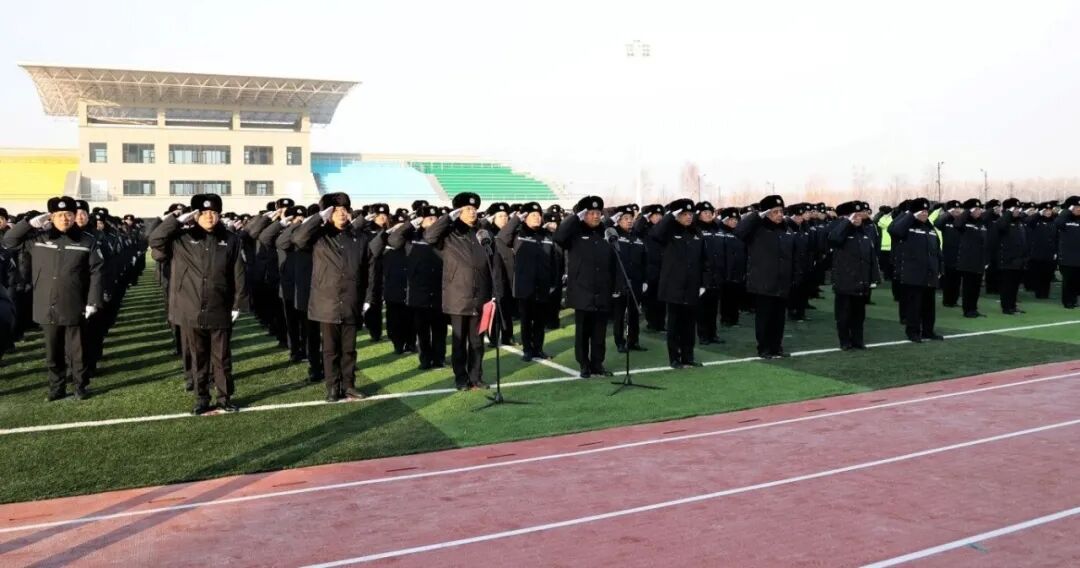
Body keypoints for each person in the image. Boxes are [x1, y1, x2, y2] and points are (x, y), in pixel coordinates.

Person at [149, 194, 247, 414]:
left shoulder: (231, 239)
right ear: (195, 215)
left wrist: (238, 304)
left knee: (222, 357)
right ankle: (201, 398)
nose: (209, 217)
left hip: (219, 306)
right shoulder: (181, 237)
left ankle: (224, 398)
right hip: (190, 307)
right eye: (203, 213)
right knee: (198, 357)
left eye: (213, 212)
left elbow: (238, 273)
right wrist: (176, 220)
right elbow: (154, 240)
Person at [3, 196, 104, 400]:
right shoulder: (38, 239)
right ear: (51, 217)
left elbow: (97, 272)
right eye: (59, 215)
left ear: (74, 216)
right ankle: (57, 388)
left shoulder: (87, 241)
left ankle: (80, 386)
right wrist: (28, 224)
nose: (64, 219)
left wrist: (93, 301)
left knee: (77, 351)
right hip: (46, 303)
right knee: (53, 352)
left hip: (75, 302)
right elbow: (9, 241)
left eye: (68, 214)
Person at [291, 192, 377, 402]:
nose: (341, 214)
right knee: (330, 350)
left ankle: (349, 386)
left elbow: (369, 270)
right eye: (336, 210)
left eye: (344, 210)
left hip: (351, 301)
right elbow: (297, 238)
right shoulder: (319, 236)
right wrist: (320, 217)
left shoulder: (359, 237)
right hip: (327, 302)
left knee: (349, 350)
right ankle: (332, 387)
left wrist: (367, 298)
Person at [424, 192, 495, 390]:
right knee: (459, 342)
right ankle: (461, 378)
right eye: (467, 209)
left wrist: (493, 293)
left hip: (481, 296)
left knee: (477, 342)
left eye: (474, 209)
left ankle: (476, 377)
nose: (472, 212)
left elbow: (493, 262)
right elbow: (429, 236)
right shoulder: (449, 233)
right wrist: (448, 217)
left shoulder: (483, 233)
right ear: (458, 211)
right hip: (458, 296)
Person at [554, 195, 615, 378]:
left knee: (599, 332)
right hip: (582, 290)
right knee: (583, 332)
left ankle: (597, 364)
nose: (595, 216)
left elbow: (614, 261)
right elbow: (559, 236)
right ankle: (584, 364)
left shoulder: (606, 232)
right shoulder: (575, 231)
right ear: (583, 214)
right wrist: (575, 217)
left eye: (598, 212)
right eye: (590, 213)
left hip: (602, 290)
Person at [735, 195, 796, 359]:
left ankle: (776, 347)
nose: (779, 215)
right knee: (765, 318)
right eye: (775, 211)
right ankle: (764, 348)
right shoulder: (757, 229)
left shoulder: (786, 229)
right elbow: (739, 231)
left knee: (779, 318)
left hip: (782, 282)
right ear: (766, 213)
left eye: (781, 211)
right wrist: (757, 215)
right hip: (763, 282)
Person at [388, 204, 447, 370]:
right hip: (418, 291)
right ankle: (425, 359)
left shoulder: (444, 236)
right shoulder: (412, 235)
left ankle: (439, 359)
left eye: (436, 218)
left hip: (440, 288)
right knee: (422, 330)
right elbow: (393, 240)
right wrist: (410, 224)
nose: (433, 221)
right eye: (429, 218)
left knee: (440, 329)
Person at [497, 201, 558, 361]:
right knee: (526, 320)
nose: (537, 218)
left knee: (540, 321)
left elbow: (554, 260)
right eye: (533, 215)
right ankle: (527, 350)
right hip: (525, 285)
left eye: (539, 215)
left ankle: (538, 348)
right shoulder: (519, 233)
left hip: (543, 285)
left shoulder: (547, 235)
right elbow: (502, 237)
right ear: (525, 217)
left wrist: (553, 282)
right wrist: (517, 219)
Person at [651, 198, 707, 368]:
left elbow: (705, 260)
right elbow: (655, 234)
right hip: (673, 286)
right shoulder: (669, 230)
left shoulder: (696, 232)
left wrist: (703, 283)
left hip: (692, 286)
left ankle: (688, 357)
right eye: (684, 214)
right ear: (676, 215)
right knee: (674, 324)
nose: (689, 217)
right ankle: (674, 358)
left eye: (690, 214)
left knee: (689, 324)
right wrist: (670, 215)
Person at [888, 198, 944, 343]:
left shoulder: (930, 228)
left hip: (930, 273)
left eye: (926, 211)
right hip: (913, 274)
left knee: (929, 306)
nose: (924, 214)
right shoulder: (907, 226)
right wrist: (910, 216)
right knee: (914, 305)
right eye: (921, 211)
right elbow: (894, 230)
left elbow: (937, 250)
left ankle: (928, 331)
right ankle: (913, 332)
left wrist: (940, 268)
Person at [829, 201, 880, 350]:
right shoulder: (839, 230)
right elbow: (834, 238)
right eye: (854, 216)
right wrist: (847, 223)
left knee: (859, 315)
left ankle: (858, 340)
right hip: (844, 281)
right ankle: (845, 341)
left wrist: (874, 277)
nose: (858, 218)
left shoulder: (864, 232)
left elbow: (871, 256)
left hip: (861, 281)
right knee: (843, 315)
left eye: (859, 216)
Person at [609, 204, 647, 353]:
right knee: (619, 314)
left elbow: (644, 261)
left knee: (634, 313)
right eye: (625, 218)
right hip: (619, 282)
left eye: (631, 218)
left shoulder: (637, 237)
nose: (629, 221)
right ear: (618, 220)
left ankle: (633, 341)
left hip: (636, 282)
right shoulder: (612, 236)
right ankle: (620, 342)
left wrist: (645, 280)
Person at [952, 198, 989, 318]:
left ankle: (974, 308)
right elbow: (957, 224)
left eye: (980, 209)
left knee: (976, 287)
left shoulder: (981, 223)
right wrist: (967, 211)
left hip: (979, 260)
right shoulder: (964, 222)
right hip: (968, 261)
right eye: (976, 209)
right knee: (968, 287)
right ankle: (967, 310)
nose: (979, 211)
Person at [995, 198, 1029, 315]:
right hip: (1007, 259)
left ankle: (1013, 305)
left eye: (1018, 208)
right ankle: (1006, 307)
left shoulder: (1019, 222)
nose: (1017, 211)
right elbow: (1001, 227)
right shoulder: (1003, 221)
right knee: (1007, 285)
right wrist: (1008, 213)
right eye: (1014, 208)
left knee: (1015, 285)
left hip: (1019, 260)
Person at [1025, 201, 1059, 299]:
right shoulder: (1036, 221)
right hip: (1037, 253)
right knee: (1038, 274)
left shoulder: (1053, 222)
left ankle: (1045, 293)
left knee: (1047, 274)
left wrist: (1056, 251)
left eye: (1049, 210)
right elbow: (1028, 221)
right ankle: (1038, 293)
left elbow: (1056, 237)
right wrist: (1038, 214)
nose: (1048, 212)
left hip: (1050, 253)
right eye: (1045, 210)